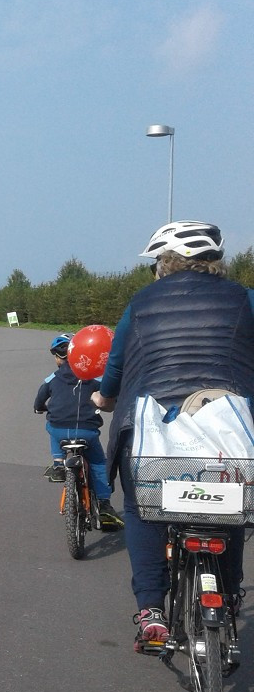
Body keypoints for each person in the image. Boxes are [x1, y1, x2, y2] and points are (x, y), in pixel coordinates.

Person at [91, 221, 254, 652]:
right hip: (229, 426)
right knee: (229, 497)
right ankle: (230, 593)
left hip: (154, 433)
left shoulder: (141, 303)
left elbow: (118, 365)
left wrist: (105, 398)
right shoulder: (245, 300)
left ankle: (151, 610)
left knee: (143, 508)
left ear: (165, 263)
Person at [33, 333, 123, 529]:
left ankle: (58, 463)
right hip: (87, 432)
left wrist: (39, 407)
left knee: (51, 426)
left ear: (57, 357)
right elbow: (110, 393)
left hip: (59, 430)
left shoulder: (53, 377)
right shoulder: (93, 376)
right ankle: (104, 503)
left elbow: (40, 397)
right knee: (99, 463)